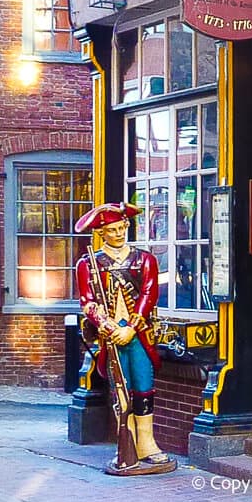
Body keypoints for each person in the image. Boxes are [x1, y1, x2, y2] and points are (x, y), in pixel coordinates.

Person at [75, 202, 175, 474]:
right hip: (111, 337)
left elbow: (149, 295)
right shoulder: (88, 264)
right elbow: (88, 302)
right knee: (121, 389)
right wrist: (107, 326)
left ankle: (147, 443)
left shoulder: (145, 260)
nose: (119, 234)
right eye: (112, 229)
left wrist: (131, 327)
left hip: (138, 333)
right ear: (101, 233)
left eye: (122, 228)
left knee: (144, 386)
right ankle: (126, 441)